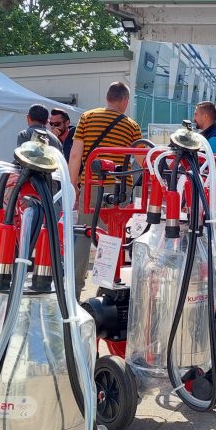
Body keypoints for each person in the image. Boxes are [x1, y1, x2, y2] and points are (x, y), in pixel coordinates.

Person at [68, 82, 143, 296]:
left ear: (107, 97)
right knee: (111, 237)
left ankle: (74, 290)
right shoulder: (131, 125)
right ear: (125, 100)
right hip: (119, 189)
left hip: (91, 185)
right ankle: (105, 290)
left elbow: (75, 155)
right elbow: (142, 159)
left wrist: (73, 186)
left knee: (84, 234)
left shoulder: (87, 118)